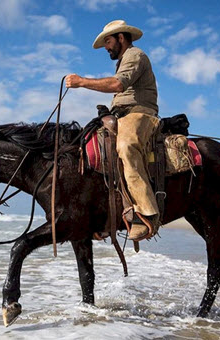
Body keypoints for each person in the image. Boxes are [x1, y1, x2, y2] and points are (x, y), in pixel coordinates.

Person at [66, 20, 160, 241]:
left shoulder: (136, 55)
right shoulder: (122, 60)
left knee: (126, 147)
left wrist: (81, 82)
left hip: (140, 113)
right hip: (121, 114)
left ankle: (147, 214)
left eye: (108, 41)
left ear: (121, 37)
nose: (106, 47)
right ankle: (107, 215)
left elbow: (118, 85)